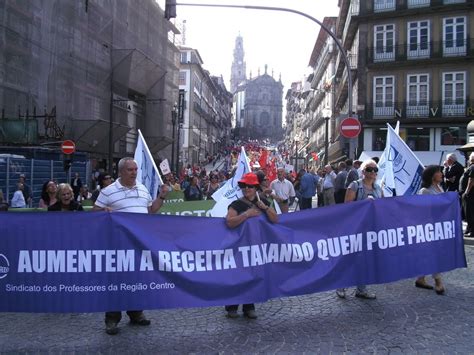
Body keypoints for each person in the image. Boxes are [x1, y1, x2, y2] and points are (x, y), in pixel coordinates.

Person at [93, 157, 169, 335]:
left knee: (137, 280)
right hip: (117, 245)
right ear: (120, 172)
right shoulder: (108, 191)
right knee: (117, 282)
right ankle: (112, 319)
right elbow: (94, 213)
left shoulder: (142, 189)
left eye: (135, 169)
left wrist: (162, 196)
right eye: (130, 170)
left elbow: (150, 211)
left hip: (138, 245)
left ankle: (136, 313)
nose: (134, 172)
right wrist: (105, 212)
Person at [225, 172, 278, 319]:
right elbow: (229, 222)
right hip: (239, 247)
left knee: (254, 276)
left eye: (250, 186)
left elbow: (275, 220)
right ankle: (232, 306)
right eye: (244, 186)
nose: (247, 189)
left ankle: (249, 306)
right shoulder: (237, 204)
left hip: (256, 248)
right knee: (238, 277)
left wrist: (265, 208)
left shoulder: (263, 202)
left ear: (255, 188)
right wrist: (246, 214)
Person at [336, 159, 382, 300]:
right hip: (355, 228)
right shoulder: (354, 186)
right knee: (350, 258)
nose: (373, 172)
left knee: (365, 259)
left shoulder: (379, 188)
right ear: (363, 171)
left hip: (371, 229)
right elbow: (347, 207)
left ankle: (361, 289)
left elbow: (383, 207)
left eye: (375, 170)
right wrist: (364, 204)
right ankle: (341, 286)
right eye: (369, 169)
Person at [414, 165, 446, 295]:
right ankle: (438, 281)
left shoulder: (440, 188)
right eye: (439, 172)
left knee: (427, 254)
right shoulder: (425, 191)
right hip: (429, 227)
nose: (442, 174)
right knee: (435, 254)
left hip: (440, 226)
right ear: (432, 175)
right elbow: (421, 210)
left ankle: (420, 278)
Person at [461, 152, 474, 237]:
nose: (469, 157)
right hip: (469, 194)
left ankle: (472, 231)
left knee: (470, 213)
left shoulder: (473, 167)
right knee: (467, 212)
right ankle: (469, 229)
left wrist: (466, 191)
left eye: (470, 156)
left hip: (470, 194)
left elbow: (471, 180)